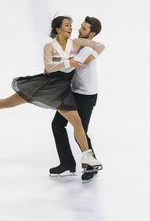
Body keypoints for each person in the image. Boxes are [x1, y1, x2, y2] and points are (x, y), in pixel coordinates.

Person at [0, 16, 105, 172]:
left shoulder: (78, 43)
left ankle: (87, 157)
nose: (73, 28)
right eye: (68, 25)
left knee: (77, 123)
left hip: (63, 90)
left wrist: (87, 59)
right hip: (47, 85)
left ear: (91, 33)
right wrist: (68, 63)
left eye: (75, 26)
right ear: (58, 29)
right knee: (8, 102)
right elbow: (49, 67)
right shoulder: (50, 46)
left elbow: (100, 46)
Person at [50, 16, 103, 181]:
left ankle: (91, 165)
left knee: (80, 132)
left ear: (92, 34)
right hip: (74, 93)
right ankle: (67, 163)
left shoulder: (87, 50)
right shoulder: (79, 45)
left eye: (84, 29)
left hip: (86, 96)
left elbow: (68, 67)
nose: (79, 30)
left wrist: (51, 63)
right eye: (80, 27)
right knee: (57, 124)